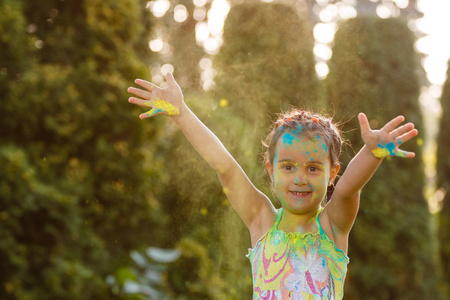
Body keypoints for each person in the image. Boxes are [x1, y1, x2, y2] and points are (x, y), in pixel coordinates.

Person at [127, 73, 418, 299]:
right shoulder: (262, 220)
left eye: (313, 168)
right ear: (271, 170)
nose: (300, 178)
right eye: (288, 167)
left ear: (332, 174)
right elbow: (226, 168)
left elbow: (347, 191)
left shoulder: (333, 226)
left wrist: (372, 153)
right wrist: (181, 113)